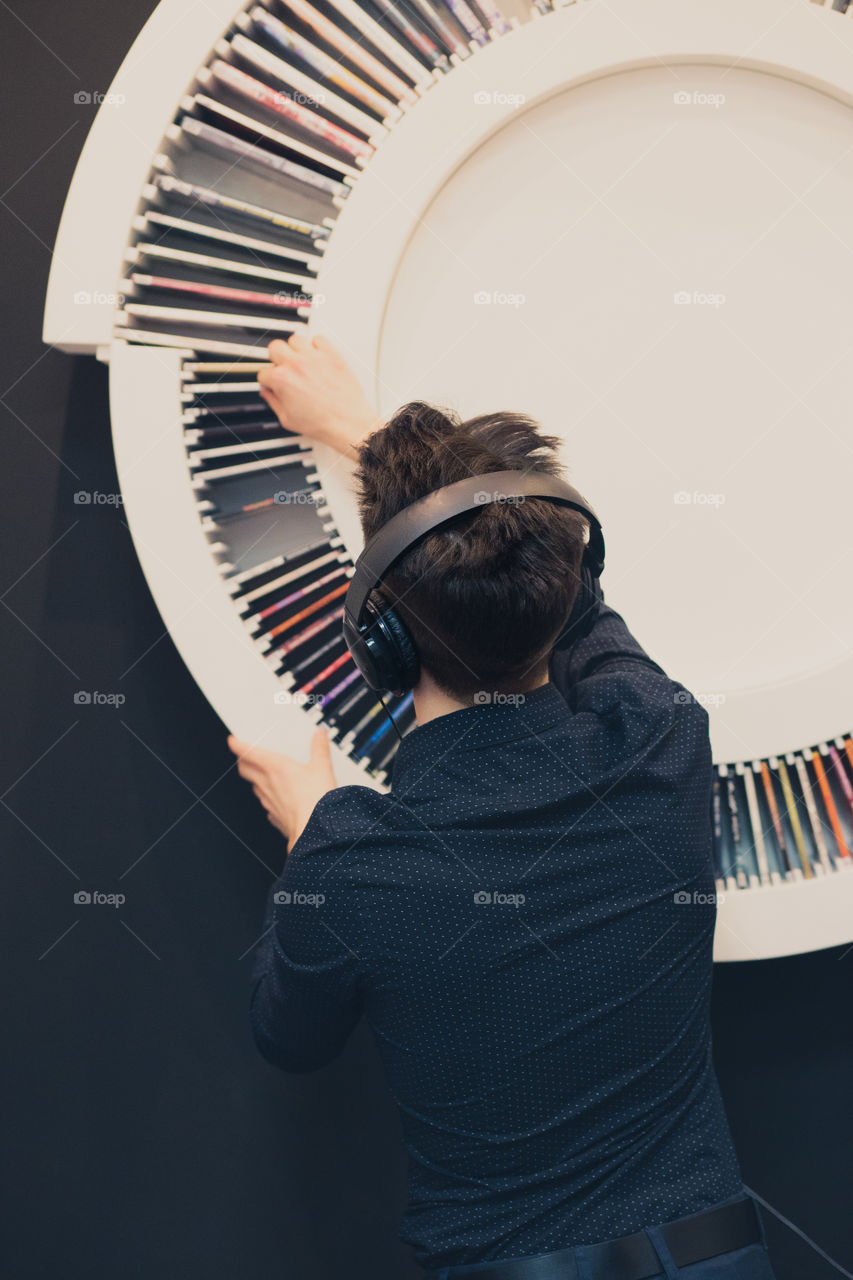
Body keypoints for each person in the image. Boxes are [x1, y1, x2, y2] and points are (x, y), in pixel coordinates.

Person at [227, 334, 776, 1280]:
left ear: (381, 643)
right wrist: (376, 447)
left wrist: (314, 839)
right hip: (716, 1257)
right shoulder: (660, 741)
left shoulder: (351, 860)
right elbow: (578, 599)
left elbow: (287, 1034)